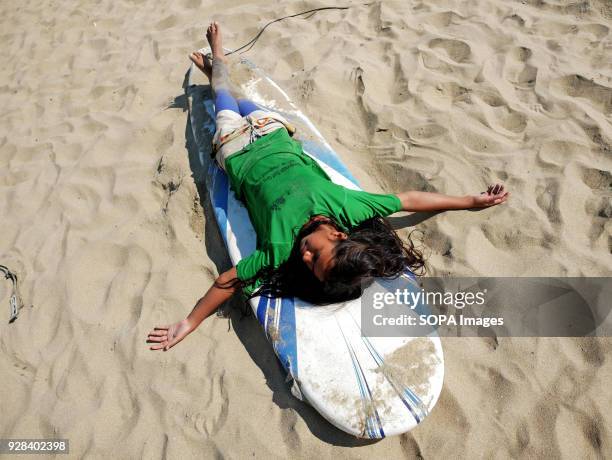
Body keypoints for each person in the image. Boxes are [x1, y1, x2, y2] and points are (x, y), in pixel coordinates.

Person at [147, 22, 509, 351]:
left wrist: (188, 322)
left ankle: (218, 59)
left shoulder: (278, 249)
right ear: (339, 236)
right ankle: (218, 74)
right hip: (273, 132)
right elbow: (408, 199)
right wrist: (468, 200)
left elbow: (229, 281)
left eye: (309, 265)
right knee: (241, 99)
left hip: (235, 147)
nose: (305, 256)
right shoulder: (349, 208)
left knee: (224, 98)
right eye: (317, 256)